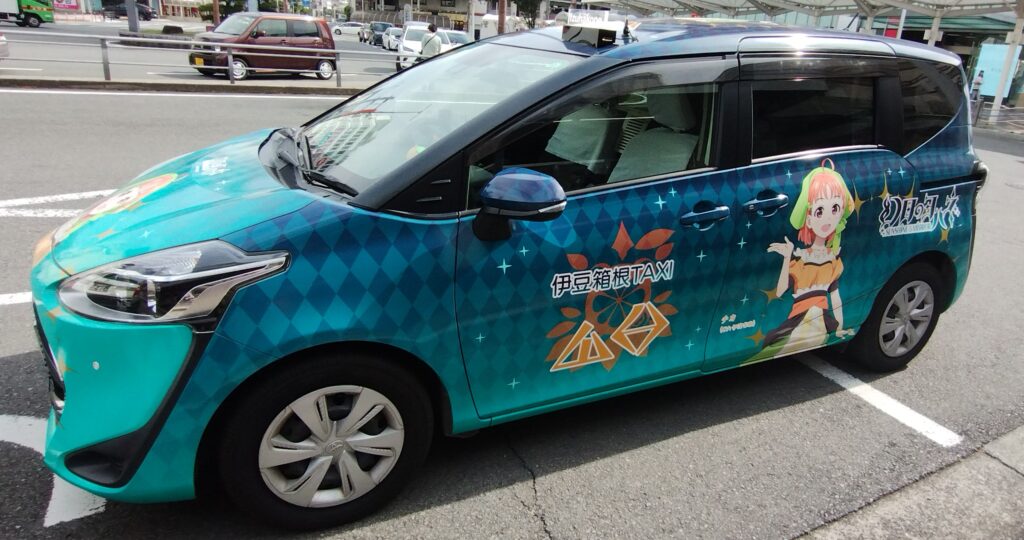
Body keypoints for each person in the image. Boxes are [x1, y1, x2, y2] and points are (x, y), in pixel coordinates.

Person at [744, 159, 856, 365]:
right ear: (809, 218)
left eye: (835, 208)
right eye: (820, 211)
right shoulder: (799, 258)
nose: (828, 218)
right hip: (797, 319)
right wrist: (787, 258)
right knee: (775, 345)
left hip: (821, 320)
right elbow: (780, 291)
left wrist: (840, 327)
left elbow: (836, 298)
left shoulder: (833, 261)